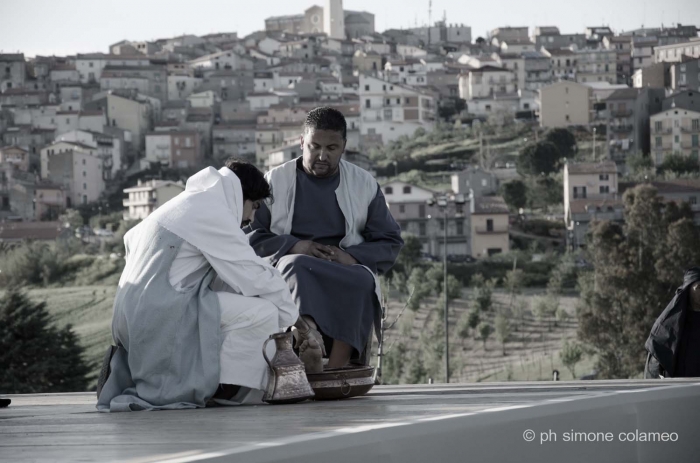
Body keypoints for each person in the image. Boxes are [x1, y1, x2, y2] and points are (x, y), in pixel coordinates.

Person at [97, 159, 298, 411]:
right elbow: (251, 274)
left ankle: (213, 382)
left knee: (237, 296)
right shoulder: (212, 211)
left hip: (130, 316)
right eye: (254, 206)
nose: (251, 218)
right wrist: (292, 318)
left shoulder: (186, 203)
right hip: (158, 314)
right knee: (263, 313)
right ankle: (228, 392)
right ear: (241, 195)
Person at [247, 107, 403, 372]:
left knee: (363, 279)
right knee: (295, 266)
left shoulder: (363, 183)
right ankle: (310, 337)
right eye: (314, 146)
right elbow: (251, 235)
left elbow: (389, 240)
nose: (322, 155)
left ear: (344, 147)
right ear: (301, 143)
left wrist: (351, 257)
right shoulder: (275, 181)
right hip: (295, 264)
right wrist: (296, 245)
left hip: (342, 266)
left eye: (331, 148)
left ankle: (335, 370)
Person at [645, 267, 700, 378]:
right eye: (699, 287)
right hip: (677, 388)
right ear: (688, 289)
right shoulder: (668, 323)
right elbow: (655, 361)